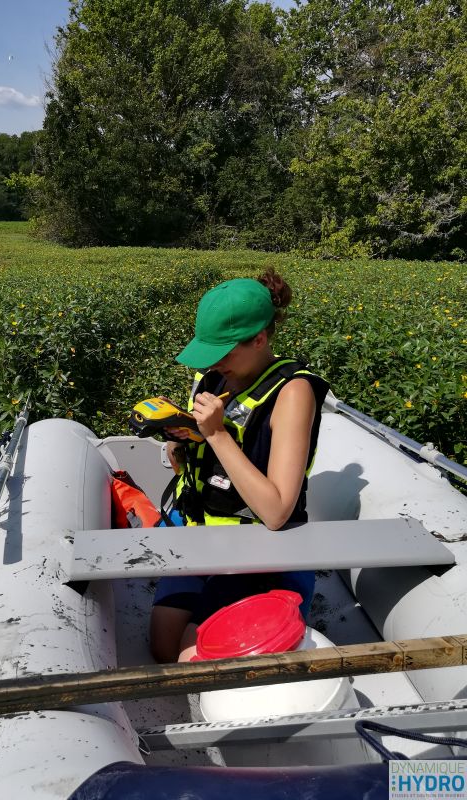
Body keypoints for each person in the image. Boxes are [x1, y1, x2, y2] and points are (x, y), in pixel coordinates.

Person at [149, 270, 329, 663]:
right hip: (203, 534)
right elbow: (207, 460)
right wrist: (185, 440)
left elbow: (277, 510)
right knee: (163, 645)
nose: (214, 362)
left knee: (189, 657)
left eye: (223, 351)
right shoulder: (213, 377)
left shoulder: (292, 393)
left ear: (260, 339)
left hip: (258, 552)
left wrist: (215, 435)